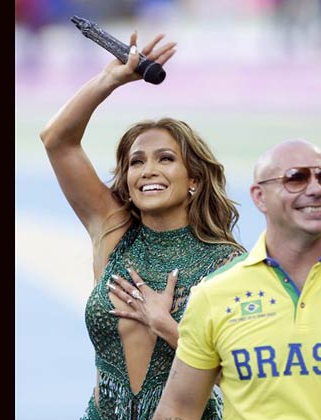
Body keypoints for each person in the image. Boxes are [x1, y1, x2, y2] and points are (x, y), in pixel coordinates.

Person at [39, 31, 245, 420]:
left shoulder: (227, 263)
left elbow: (242, 375)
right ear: (128, 183)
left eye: (165, 159)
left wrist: (166, 326)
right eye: (136, 162)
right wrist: (110, 80)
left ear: (194, 179)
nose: (148, 170)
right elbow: (57, 141)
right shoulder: (112, 230)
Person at [153, 139, 321, 420]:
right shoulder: (214, 293)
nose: (316, 189)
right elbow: (179, 410)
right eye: (296, 178)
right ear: (259, 197)